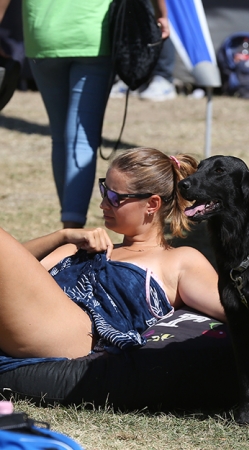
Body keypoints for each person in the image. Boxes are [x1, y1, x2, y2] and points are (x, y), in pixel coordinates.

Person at [0, 148, 225, 364]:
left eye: (114, 197)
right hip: (43, 316)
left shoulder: (179, 260)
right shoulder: (79, 247)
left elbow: (236, 312)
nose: (102, 204)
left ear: (151, 204)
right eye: (103, 191)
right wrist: (63, 236)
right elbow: (16, 274)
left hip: (77, 333)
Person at [11, 0, 170, 229]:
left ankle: (69, 227)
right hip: (93, 36)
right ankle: (72, 229)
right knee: (81, 140)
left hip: (43, 33)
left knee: (60, 137)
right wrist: (161, 13)